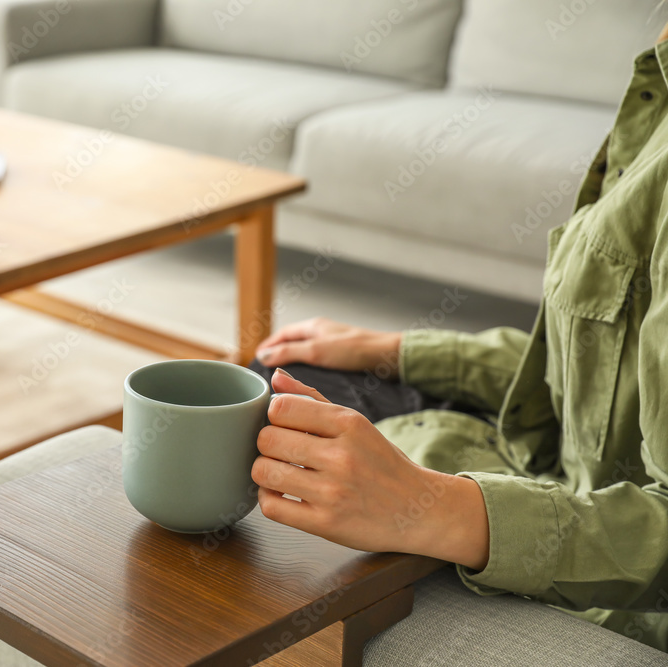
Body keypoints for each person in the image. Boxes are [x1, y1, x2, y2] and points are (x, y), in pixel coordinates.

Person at [245, 23, 668, 654]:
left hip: (601, 548)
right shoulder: (654, 90)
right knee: (277, 378)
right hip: (552, 454)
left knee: (268, 433)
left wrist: (433, 507)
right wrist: (394, 350)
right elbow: (597, 371)